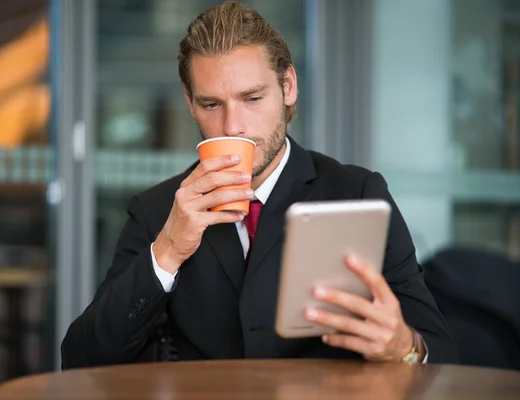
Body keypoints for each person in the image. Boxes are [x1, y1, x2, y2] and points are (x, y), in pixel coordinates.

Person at [61, 1, 457, 369]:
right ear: (189, 102)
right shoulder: (158, 210)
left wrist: (406, 347)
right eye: (212, 104)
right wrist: (167, 252)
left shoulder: (356, 192)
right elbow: (82, 358)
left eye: (252, 98)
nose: (234, 126)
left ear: (288, 87)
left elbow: (442, 355)